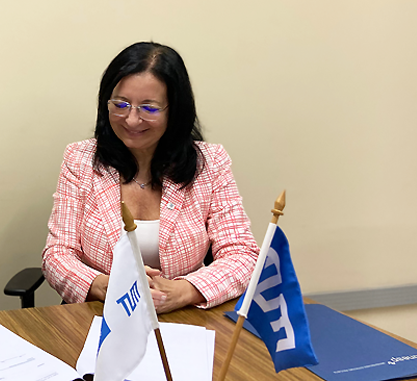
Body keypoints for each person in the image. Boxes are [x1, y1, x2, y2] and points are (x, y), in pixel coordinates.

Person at [41, 42, 259, 313]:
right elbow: (57, 254)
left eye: (149, 108)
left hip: (184, 316)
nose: (132, 120)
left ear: (175, 111)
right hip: (99, 313)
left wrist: (184, 291)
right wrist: (101, 285)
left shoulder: (210, 163)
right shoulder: (81, 159)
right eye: (120, 105)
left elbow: (242, 254)